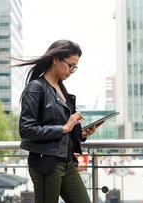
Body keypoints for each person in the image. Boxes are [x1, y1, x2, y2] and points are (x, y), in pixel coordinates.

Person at [15, 40, 103, 203]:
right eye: (70, 65)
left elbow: (64, 130)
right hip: (46, 163)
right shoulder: (36, 87)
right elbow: (26, 130)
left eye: (74, 67)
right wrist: (64, 128)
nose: (72, 71)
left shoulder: (62, 89)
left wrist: (81, 133)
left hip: (68, 162)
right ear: (56, 60)